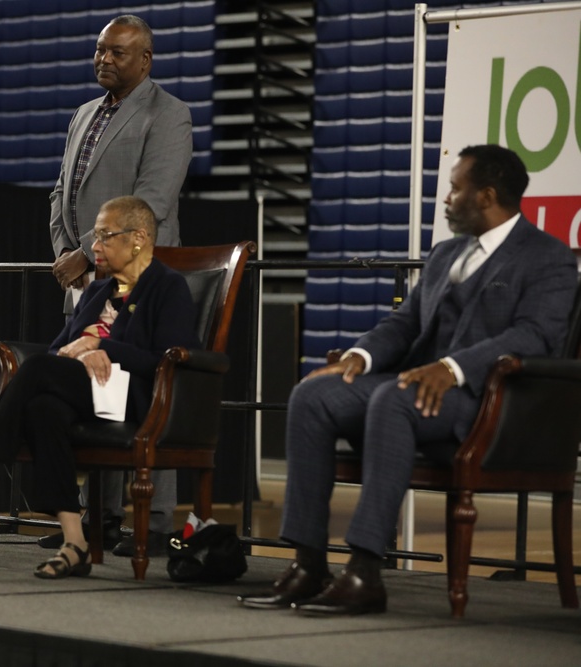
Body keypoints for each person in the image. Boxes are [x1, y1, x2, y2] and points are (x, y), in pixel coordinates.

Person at [238, 144, 578, 615]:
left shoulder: (548, 258)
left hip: (487, 403)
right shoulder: (445, 254)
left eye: (455, 188)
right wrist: (361, 354)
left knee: (393, 400)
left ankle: (364, 571)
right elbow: (405, 324)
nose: (447, 198)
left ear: (486, 195)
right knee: (313, 394)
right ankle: (308, 563)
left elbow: (536, 335)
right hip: (417, 390)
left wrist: (453, 368)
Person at [0, 196, 200, 578]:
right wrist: (82, 354)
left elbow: (168, 357)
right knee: (42, 410)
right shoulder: (98, 292)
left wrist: (102, 346)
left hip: (132, 398)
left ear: (138, 238)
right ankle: (75, 544)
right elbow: (59, 349)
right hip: (83, 389)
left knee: (37, 370)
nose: (95, 247)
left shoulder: (166, 286)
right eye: (95, 236)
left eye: (104, 236)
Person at [45, 14, 193, 557]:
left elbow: (151, 201)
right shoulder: (84, 113)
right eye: (100, 50)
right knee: (93, 385)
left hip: (138, 276)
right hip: (85, 276)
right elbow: (60, 189)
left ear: (145, 60)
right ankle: (98, 519)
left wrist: (89, 253)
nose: (105, 60)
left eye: (118, 53)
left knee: (146, 388)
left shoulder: (169, 114)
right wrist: (68, 254)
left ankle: (150, 522)